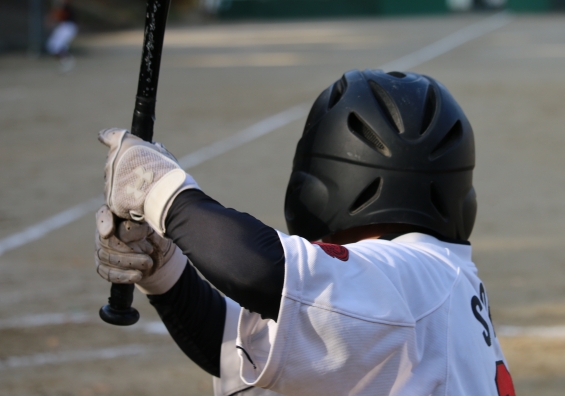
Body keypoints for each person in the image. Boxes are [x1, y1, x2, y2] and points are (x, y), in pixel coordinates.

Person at [95, 69, 516, 396]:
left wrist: (162, 192)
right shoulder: (435, 285)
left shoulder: (413, 278)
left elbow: (256, 269)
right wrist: (165, 273)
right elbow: (233, 345)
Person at [46, 0, 78, 72]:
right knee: (53, 45)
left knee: (57, 45)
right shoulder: (63, 7)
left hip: (68, 27)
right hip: (64, 27)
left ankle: (67, 61)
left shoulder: (67, 7)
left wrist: (53, 18)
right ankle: (65, 61)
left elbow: (61, 16)